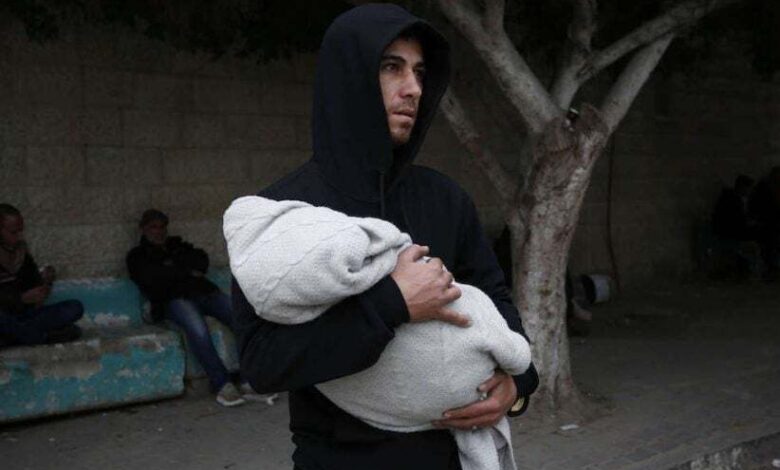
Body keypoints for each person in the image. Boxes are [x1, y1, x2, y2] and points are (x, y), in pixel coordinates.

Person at [231, 4, 539, 469]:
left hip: (451, 457)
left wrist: (518, 387)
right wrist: (393, 304)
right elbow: (263, 363)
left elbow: (498, 303)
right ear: (348, 77)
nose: (413, 88)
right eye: (392, 67)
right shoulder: (285, 213)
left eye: (419, 72)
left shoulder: (444, 198)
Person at [126, 209, 276, 407]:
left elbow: (202, 261)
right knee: (198, 329)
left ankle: (249, 380)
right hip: (173, 300)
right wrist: (185, 271)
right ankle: (222, 384)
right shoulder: (137, 256)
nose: (159, 231)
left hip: (205, 293)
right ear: (143, 229)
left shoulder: (178, 246)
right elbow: (152, 280)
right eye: (153, 227)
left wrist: (172, 269)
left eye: (162, 227)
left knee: (241, 319)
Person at [0, 203, 83, 347]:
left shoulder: (21, 252)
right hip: (4, 317)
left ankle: (19, 336)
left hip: (23, 317)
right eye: (13, 232)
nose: (19, 237)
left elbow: (34, 286)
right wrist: (21, 299)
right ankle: (40, 337)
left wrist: (45, 282)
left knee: (74, 308)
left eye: (21, 231)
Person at [749, 167, 780, 279]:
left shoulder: (766, 187)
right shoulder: (766, 189)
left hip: (768, 224)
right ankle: (772, 269)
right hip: (767, 225)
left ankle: (772, 269)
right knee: (771, 245)